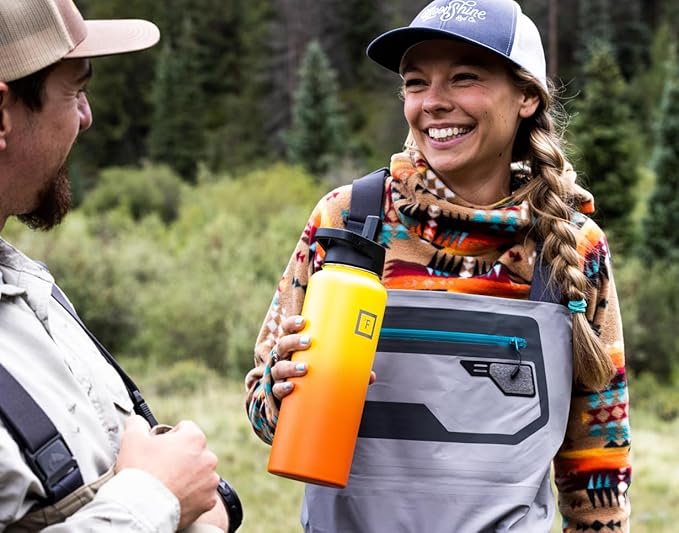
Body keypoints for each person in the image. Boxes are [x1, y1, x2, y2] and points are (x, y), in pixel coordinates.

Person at [245, 0, 631, 531]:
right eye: (416, 83)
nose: (433, 102)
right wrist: (281, 387)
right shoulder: (347, 221)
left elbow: (597, 460)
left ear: (526, 97)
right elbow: (263, 414)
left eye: (464, 78)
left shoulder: (571, 247)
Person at [0, 1, 236, 531]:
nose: (86, 118)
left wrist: (196, 504)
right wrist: (158, 496)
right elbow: (150, 491)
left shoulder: (29, 290)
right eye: (75, 92)